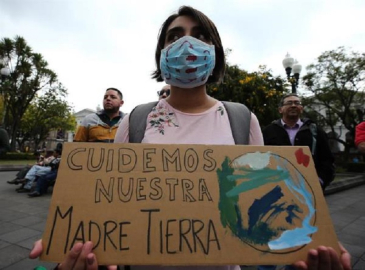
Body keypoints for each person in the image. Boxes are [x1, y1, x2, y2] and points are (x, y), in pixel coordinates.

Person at [30, 6, 351, 270]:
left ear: (215, 53)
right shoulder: (137, 120)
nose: (187, 44)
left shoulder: (242, 119)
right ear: (161, 55)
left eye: (200, 36)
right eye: (174, 36)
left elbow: (265, 200)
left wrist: (305, 241)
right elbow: (107, 204)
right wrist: (73, 246)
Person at [262, 94, 335, 191]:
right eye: (289, 103)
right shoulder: (268, 131)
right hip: (277, 187)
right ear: (280, 109)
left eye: (297, 103)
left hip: (310, 188)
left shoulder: (315, 131)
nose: (293, 105)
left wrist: (320, 181)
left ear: (301, 108)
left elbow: (327, 159)